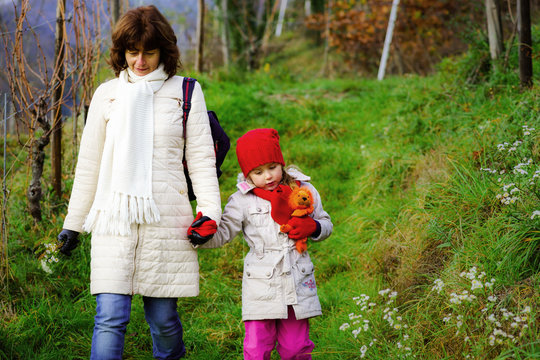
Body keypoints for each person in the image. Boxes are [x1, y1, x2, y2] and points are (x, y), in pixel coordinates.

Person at [56, 5, 221, 359]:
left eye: (149, 52)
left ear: (164, 51)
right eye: (133, 52)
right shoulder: (106, 95)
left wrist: (209, 214)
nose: (140, 61)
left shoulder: (186, 92)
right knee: (110, 318)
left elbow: (202, 162)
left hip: (166, 222)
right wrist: (73, 224)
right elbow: (90, 165)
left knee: (163, 320)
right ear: (122, 52)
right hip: (114, 223)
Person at [194, 128, 333, 360]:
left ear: (281, 163)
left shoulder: (303, 190)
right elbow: (225, 232)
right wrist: (204, 235)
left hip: (297, 279)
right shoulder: (242, 200)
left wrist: (315, 227)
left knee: (295, 348)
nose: (267, 176)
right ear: (247, 174)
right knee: (257, 349)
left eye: (272, 167)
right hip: (261, 284)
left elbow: (325, 222)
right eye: (258, 172)